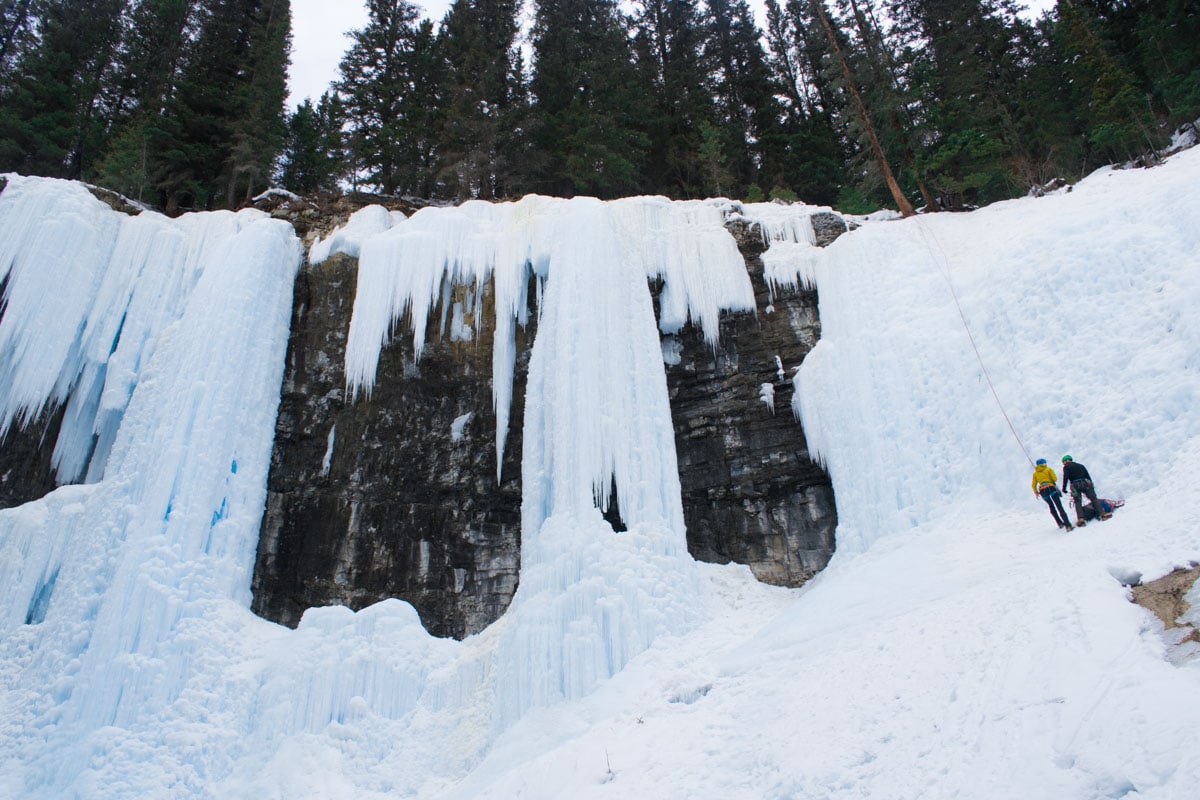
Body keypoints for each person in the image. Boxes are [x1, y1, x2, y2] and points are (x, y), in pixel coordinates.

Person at [1060, 455, 1110, 527]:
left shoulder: (1066, 467)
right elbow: (1087, 475)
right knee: (1093, 498)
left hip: (1075, 486)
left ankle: (1081, 519)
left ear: (1065, 461)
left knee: (1078, 502)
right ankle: (1102, 514)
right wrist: (1091, 484)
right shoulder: (1080, 465)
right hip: (1086, 483)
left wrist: (1064, 488)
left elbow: (1065, 477)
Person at [1031, 458, 1073, 530]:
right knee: (1059, 506)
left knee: (1051, 506)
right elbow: (1054, 479)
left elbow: (1033, 484)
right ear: (1044, 463)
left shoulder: (1035, 473)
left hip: (1042, 490)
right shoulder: (1048, 469)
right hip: (1050, 487)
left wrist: (1036, 492)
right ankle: (1068, 525)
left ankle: (1059, 523)